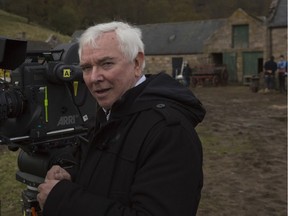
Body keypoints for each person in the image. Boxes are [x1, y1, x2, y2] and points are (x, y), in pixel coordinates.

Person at [37, 21, 206, 216]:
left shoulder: (169, 132)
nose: (93, 78)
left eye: (106, 64)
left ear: (136, 63)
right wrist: (71, 176)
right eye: (86, 68)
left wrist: (63, 200)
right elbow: (107, 176)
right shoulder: (107, 114)